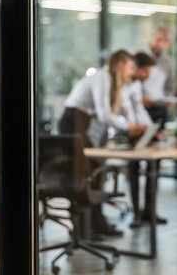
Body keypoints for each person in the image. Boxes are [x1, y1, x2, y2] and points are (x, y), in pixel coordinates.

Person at [59, 50, 147, 238]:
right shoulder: (102, 77)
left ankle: (96, 224)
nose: (132, 73)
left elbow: (117, 110)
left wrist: (133, 126)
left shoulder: (113, 83)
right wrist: (130, 126)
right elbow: (104, 113)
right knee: (85, 174)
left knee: (94, 173)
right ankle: (83, 229)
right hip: (73, 121)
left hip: (82, 122)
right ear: (121, 64)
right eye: (131, 67)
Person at [122, 53, 168, 228]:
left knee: (153, 167)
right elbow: (126, 110)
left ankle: (150, 211)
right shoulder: (124, 83)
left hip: (140, 128)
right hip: (130, 129)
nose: (147, 76)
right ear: (136, 68)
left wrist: (151, 129)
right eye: (146, 71)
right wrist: (133, 128)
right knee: (133, 170)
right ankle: (137, 214)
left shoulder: (136, 84)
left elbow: (139, 108)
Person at [141, 25, 175, 125]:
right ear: (153, 36)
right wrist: (140, 97)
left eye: (164, 41)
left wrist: (170, 99)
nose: (160, 44)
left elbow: (170, 87)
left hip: (160, 108)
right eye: (158, 39)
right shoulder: (138, 55)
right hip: (141, 106)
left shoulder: (168, 62)